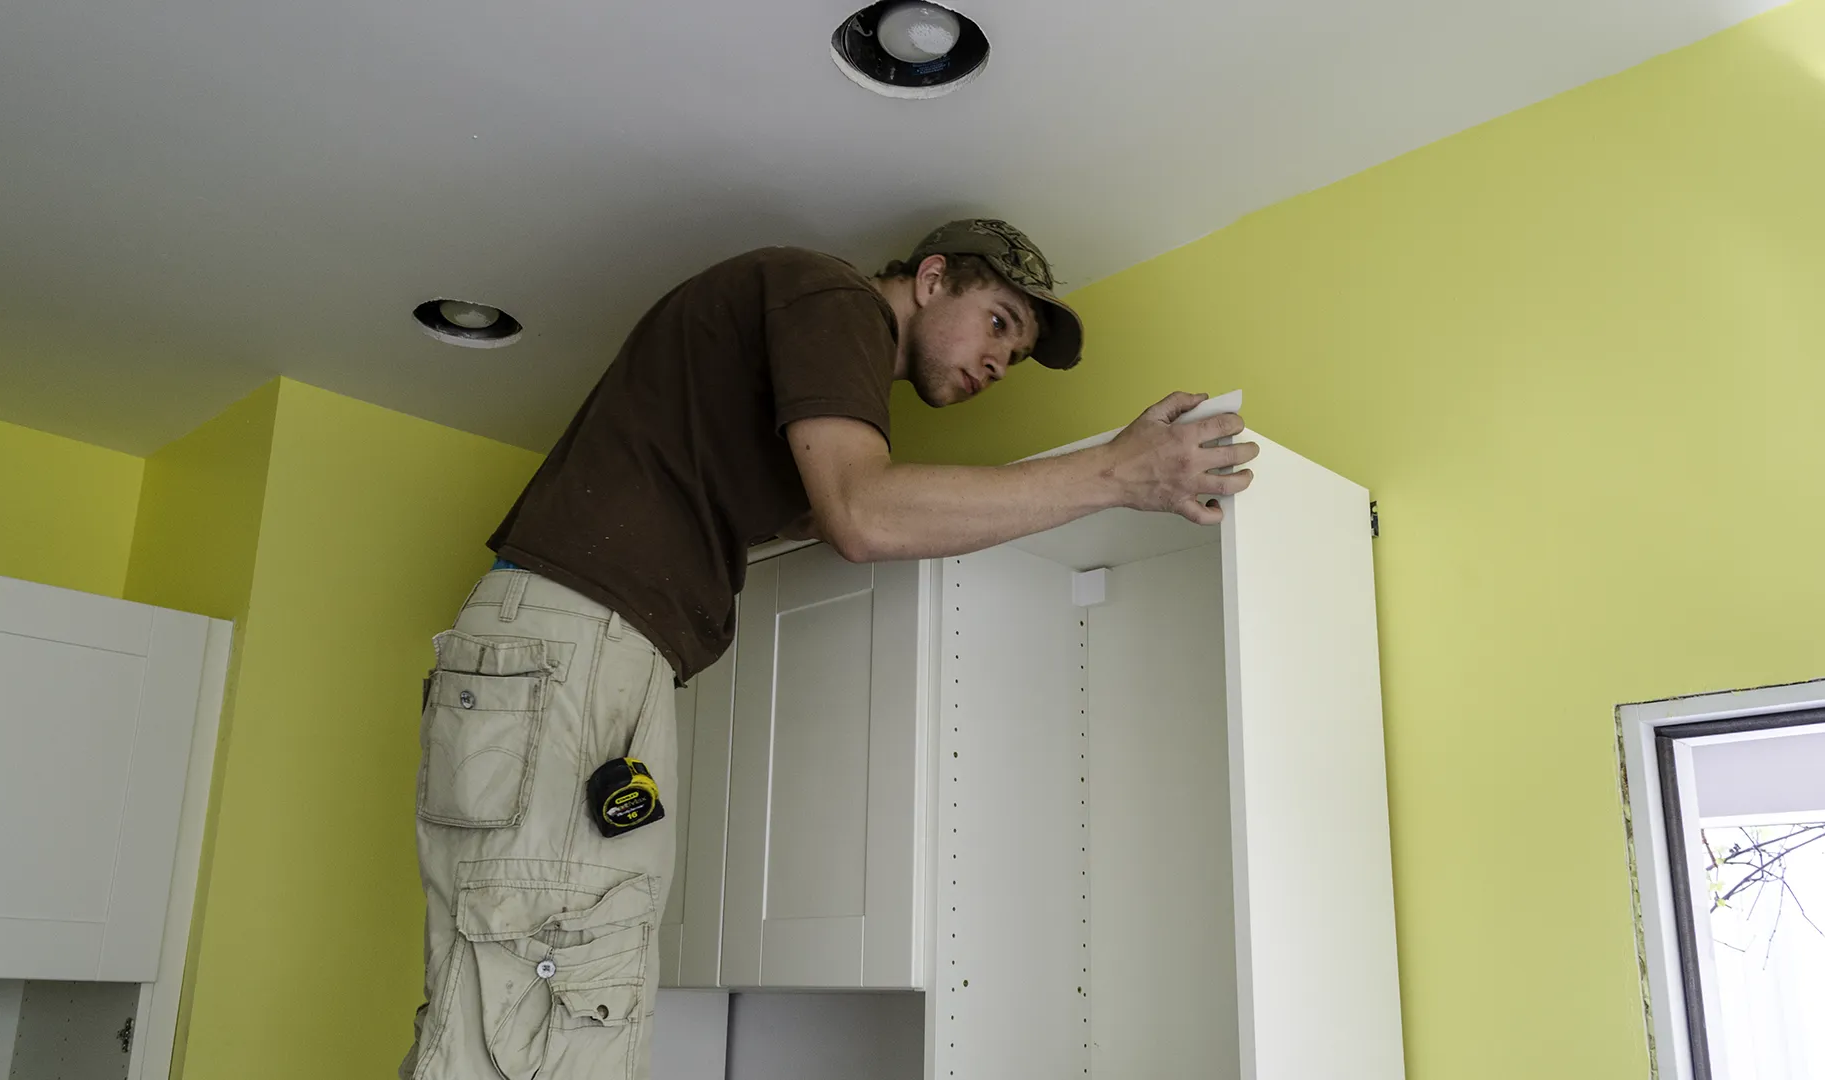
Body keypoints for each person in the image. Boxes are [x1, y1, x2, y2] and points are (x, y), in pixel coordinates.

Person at [396, 219, 1259, 1080]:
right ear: (930, 279)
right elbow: (865, 513)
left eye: (1018, 353)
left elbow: (838, 508)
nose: (1001, 362)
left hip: (591, 650)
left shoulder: (788, 379)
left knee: (547, 986)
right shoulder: (830, 296)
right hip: (579, 640)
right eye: (999, 321)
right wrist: (1117, 473)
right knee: (548, 993)